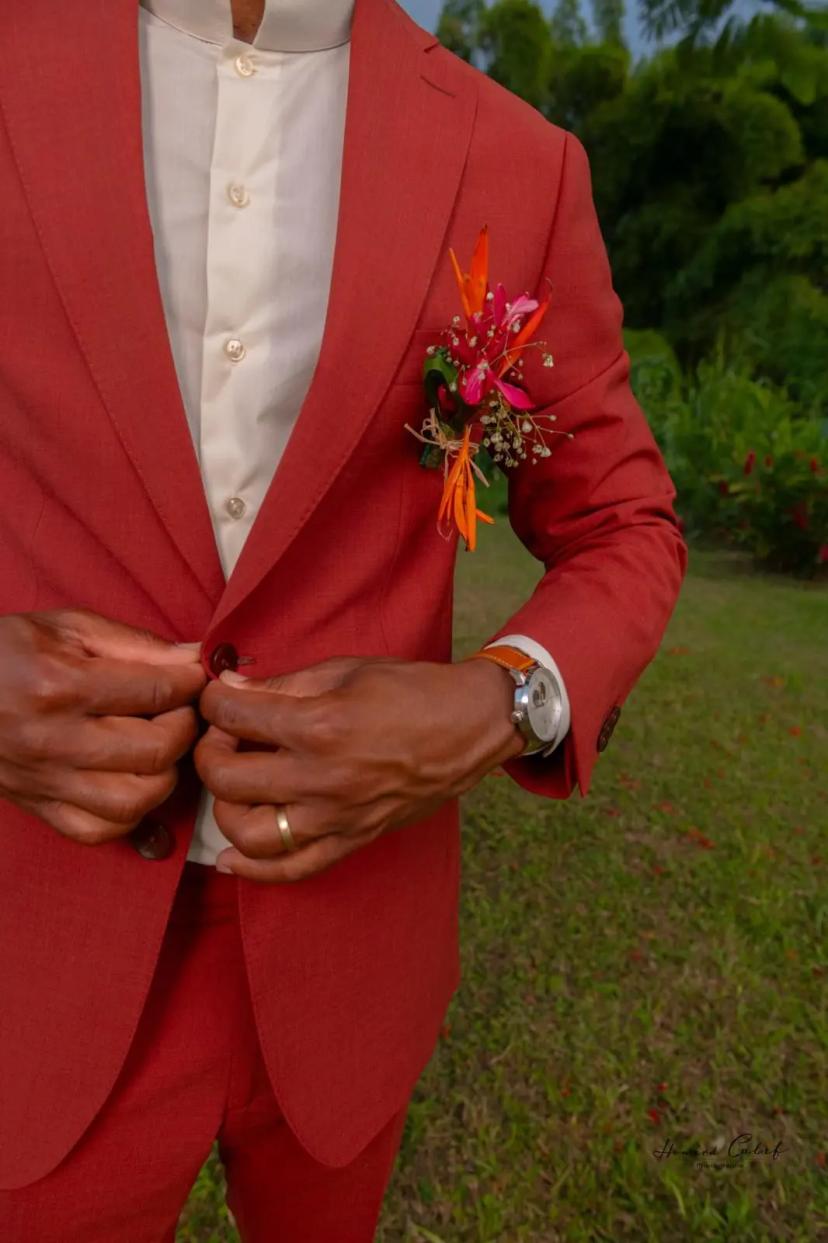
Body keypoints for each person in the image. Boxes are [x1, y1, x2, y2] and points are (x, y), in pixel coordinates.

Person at [0, 0, 686, 1238]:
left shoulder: (518, 160)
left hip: (354, 958)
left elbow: (625, 523)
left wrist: (500, 700)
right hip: (33, 947)